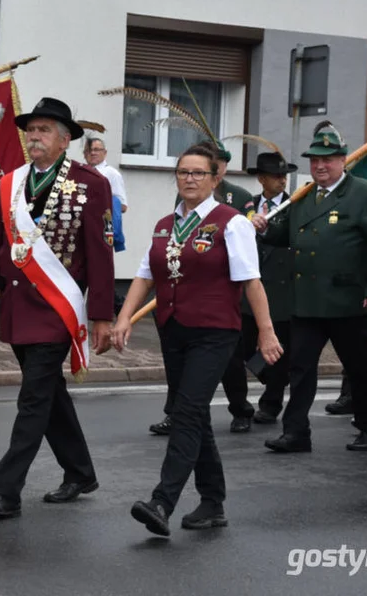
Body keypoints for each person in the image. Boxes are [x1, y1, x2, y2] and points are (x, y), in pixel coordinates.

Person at [113, 143, 282, 536]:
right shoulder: (164, 224)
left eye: (198, 173)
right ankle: (212, 502)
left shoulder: (232, 222)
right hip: (173, 329)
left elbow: (250, 281)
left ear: (215, 178)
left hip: (215, 332)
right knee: (196, 415)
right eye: (183, 172)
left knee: (185, 413)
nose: (189, 179)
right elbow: (144, 274)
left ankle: (162, 501)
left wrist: (266, 331)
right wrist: (123, 318)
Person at [0, 97, 114, 518]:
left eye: (44, 130)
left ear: (66, 140)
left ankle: (5, 491)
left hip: (55, 309)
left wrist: (101, 314)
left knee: (32, 401)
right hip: (17, 307)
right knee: (50, 396)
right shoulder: (10, 183)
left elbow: (101, 256)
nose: (34, 136)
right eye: (31, 130)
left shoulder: (90, 184)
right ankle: (80, 472)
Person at [252, 121, 367, 454]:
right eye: (315, 160)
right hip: (307, 302)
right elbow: (284, 235)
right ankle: (296, 432)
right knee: (300, 369)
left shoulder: (364, 194)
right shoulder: (304, 196)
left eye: (328, 159)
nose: (320, 166)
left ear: (343, 160)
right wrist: (261, 227)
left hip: (346, 300)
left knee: (358, 369)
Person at [149, 139, 256, 437]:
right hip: (181, 299)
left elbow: (247, 265)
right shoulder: (181, 201)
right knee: (184, 383)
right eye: (184, 172)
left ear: (218, 171)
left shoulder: (239, 196)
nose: (191, 178)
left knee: (232, 362)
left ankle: (240, 409)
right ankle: (177, 413)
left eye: (204, 169)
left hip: (222, 298)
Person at [222, 151, 296, 431]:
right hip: (248, 290)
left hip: (280, 289)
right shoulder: (247, 205)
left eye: (284, 175)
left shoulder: (294, 206)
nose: (281, 180)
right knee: (240, 349)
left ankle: (271, 403)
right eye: (275, 176)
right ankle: (248, 399)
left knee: (277, 352)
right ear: (262, 179)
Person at [85, 136, 128, 213]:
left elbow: (122, 206)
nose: (92, 153)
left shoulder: (112, 174)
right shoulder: (81, 173)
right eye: (88, 150)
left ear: (105, 153)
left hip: (101, 221)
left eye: (96, 150)